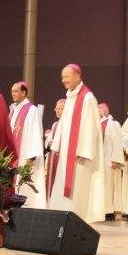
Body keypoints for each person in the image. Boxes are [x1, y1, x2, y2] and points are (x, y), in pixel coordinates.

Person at [47, 64, 104, 223]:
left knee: (78, 189)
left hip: (79, 153)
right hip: (66, 152)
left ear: (78, 76)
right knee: (64, 187)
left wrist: (84, 151)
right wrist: (57, 144)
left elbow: (91, 126)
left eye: (66, 76)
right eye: (62, 77)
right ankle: (62, 219)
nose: (63, 80)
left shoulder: (87, 97)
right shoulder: (70, 97)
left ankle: (75, 221)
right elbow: (63, 123)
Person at [9, 81, 46, 208]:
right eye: (12, 91)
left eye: (16, 91)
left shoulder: (31, 110)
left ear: (24, 93)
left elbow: (36, 133)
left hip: (26, 156)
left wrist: (31, 156)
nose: (12, 94)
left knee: (26, 187)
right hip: (13, 156)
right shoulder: (13, 110)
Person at [98, 103, 125, 220]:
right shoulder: (98, 124)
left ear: (104, 111)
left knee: (109, 186)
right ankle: (101, 210)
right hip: (100, 161)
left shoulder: (112, 124)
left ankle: (108, 211)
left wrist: (116, 159)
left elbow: (117, 142)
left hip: (109, 160)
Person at [44, 98, 65, 198]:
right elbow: (49, 140)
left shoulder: (68, 124)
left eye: (59, 108)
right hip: (54, 157)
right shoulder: (55, 124)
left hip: (63, 158)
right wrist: (48, 142)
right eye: (56, 108)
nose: (56, 110)